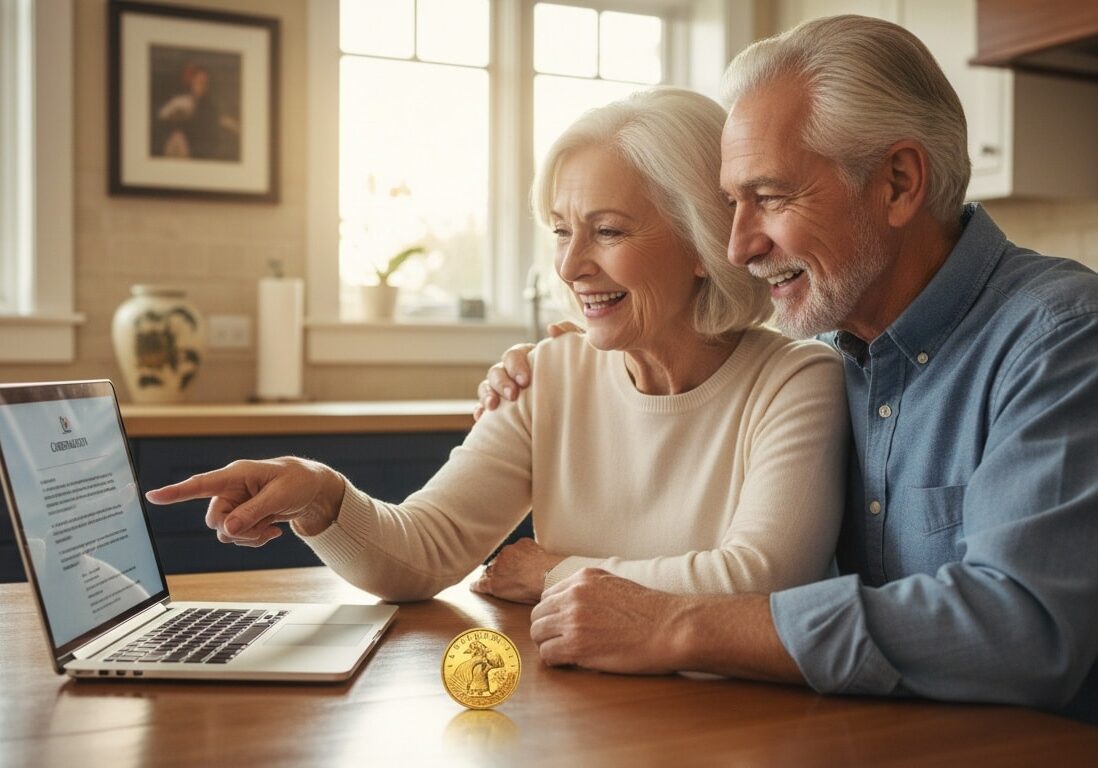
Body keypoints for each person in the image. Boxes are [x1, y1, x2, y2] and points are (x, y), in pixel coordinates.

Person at [478, 15, 1098, 721]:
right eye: (731, 203)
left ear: (898, 183)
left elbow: (1023, 627)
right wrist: (581, 355)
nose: (738, 246)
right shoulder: (829, 352)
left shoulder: (1060, 338)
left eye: (769, 197)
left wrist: (677, 624)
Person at [146, 88, 848, 606]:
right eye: (561, 230)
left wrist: (554, 573)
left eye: (607, 231)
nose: (570, 266)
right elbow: (423, 551)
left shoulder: (798, 380)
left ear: (704, 243)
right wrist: (321, 495)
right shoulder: (549, 376)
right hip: (582, 713)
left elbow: (761, 582)